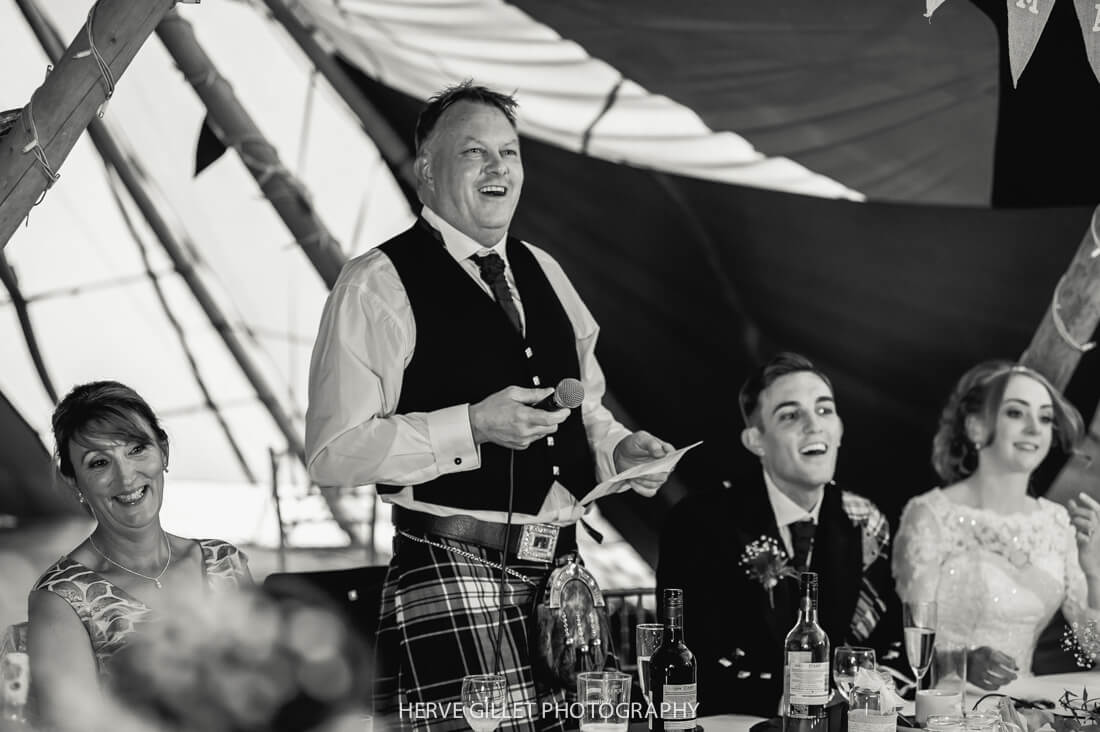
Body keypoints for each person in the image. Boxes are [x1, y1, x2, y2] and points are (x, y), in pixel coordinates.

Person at [304, 81, 675, 731]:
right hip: (454, 565)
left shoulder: (546, 271)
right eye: (475, 152)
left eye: (509, 152)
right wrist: (471, 425)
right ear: (426, 168)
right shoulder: (376, 284)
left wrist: (620, 449)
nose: (499, 167)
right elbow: (334, 454)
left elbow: (585, 405)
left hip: (564, 572)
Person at [656, 352, 896, 717]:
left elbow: (879, 645)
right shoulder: (700, 522)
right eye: (790, 415)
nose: (813, 426)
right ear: (756, 440)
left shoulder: (864, 521)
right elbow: (688, 659)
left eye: (824, 410)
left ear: (840, 430)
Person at [27, 381, 252, 730]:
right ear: (74, 482)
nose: (126, 476)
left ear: (163, 451)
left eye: (136, 449)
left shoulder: (226, 562)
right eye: (99, 462)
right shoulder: (62, 599)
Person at [892, 361, 1100, 688]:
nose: (1034, 428)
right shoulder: (930, 516)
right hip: (945, 711)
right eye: (1016, 413)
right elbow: (906, 653)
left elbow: (1094, 647)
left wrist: (1094, 571)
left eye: (1045, 418)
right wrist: (960, 663)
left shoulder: (1055, 522)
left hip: (1024, 711)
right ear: (975, 427)